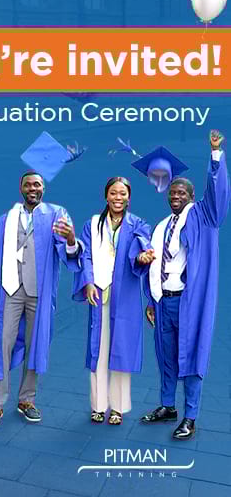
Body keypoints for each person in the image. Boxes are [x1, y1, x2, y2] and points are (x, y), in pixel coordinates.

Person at [140, 132, 229, 440]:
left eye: (182, 192)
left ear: (191, 196)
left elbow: (217, 195)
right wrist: (151, 302)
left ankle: (190, 416)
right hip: (163, 302)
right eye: (172, 192)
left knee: (191, 357)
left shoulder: (204, 216)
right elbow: (154, 266)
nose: (175, 195)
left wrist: (215, 155)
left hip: (189, 302)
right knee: (165, 357)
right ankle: (168, 406)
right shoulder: (161, 225)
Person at [0, 167, 81, 427]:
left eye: (37, 185)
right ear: (21, 188)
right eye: (28, 185)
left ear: (43, 188)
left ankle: (27, 399)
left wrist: (71, 238)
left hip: (39, 291)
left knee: (35, 345)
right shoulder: (5, 219)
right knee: (2, 345)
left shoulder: (56, 214)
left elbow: (68, 251)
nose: (33, 189)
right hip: (9, 291)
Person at [72, 177, 154, 425]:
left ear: (129, 197)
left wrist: (143, 257)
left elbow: (143, 245)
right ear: (105, 196)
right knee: (99, 350)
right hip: (99, 292)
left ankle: (117, 407)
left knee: (121, 350)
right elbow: (84, 255)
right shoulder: (92, 224)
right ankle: (98, 406)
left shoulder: (137, 223)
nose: (118, 198)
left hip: (125, 295)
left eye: (123, 194)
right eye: (113, 193)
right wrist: (87, 281)